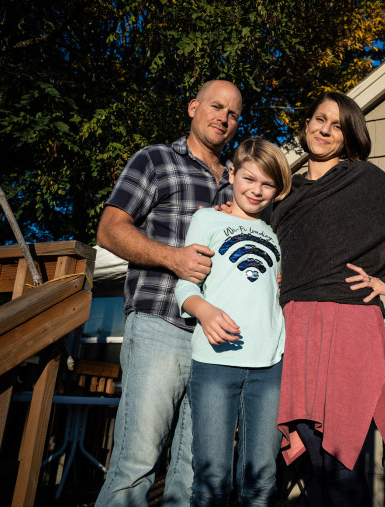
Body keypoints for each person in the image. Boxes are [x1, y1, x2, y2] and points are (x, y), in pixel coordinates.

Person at [270, 92, 385, 505]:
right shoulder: (285, 196)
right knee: (308, 451)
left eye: (337, 125)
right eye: (319, 119)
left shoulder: (362, 179)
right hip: (294, 326)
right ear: (306, 124)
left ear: (348, 137)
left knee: (339, 462)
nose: (325, 129)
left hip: (347, 323)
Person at [94, 79, 242, 506]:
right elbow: (109, 230)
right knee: (136, 462)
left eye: (233, 114)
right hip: (159, 323)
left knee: (196, 472)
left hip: (215, 341)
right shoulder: (156, 160)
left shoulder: (239, 180)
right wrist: (173, 258)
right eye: (216, 107)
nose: (223, 118)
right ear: (193, 107)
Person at [174, 137, 291, 506]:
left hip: (270, 367)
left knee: (262, 480)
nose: (256, 190)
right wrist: (204, 311)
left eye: (267, 184)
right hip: (214, 363)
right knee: (211, 479)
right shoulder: (208, 218)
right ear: (232, 173)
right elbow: (184, 285)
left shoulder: (277, 232)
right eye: (249, 179)